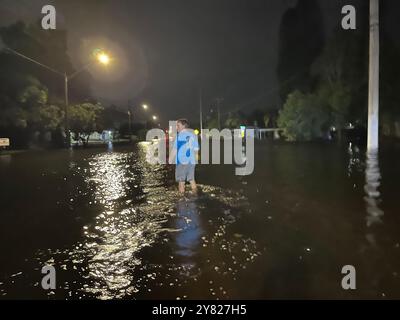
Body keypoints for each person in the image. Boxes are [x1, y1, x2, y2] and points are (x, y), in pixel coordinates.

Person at [169, 119, 199, 194]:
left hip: (181, 162)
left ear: (183, 126)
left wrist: (170, 159)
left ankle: (181, 201)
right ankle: (196, 196)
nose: (176, 127)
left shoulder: (179, 136)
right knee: (192, 180)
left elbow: (175, 149)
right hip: (191, 161)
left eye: (178, 125)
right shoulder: (193, 135)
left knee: (181, 182)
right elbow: (196, 149)